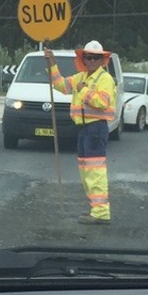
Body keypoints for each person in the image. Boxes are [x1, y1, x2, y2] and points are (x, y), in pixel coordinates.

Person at [43, 40, 117, 224]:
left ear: (102, 60)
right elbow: (60, 85)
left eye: (95, 58)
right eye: (88, 57)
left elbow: (102, 102)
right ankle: (96, 209)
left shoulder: (105, 79)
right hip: (84, 129)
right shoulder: (80, 77)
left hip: (96, 128)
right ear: (83, 59)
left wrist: (83, 91)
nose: (91, 60)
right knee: (86, 172)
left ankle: (101, 213)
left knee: (94, 172)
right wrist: (52, 63)